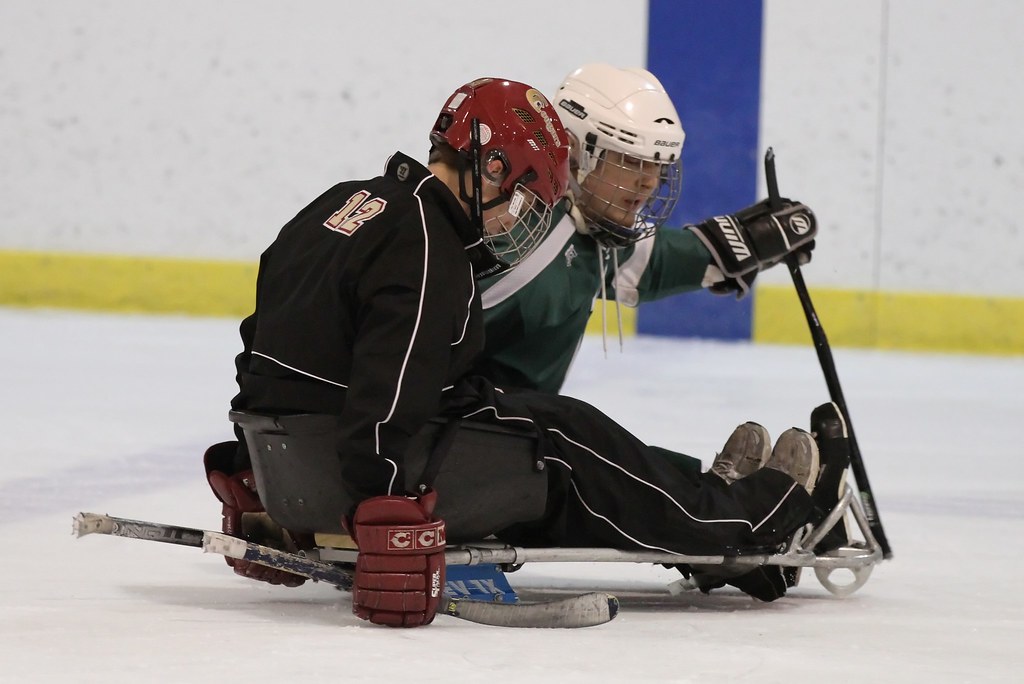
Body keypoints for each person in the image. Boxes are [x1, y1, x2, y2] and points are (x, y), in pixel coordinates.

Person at [203, 77, 823, 630]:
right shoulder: (429, 245)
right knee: (567, 436)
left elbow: (260, 344)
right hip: (380, 470)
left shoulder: (340, 205)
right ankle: (753, 520)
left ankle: (707, 498)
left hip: (299, 469)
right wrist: (385, 510)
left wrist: (252, 470)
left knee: (552, 427)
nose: (517, 223)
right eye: (526, 199)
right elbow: (392, 389)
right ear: (489, 167)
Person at [476, 63, 817, 395]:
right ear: (576, 153)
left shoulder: (573, 227)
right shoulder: (525, 248)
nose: (650, 182)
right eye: (631, 160)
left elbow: (645, 262)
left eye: (656, 165)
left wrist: (741, 245)